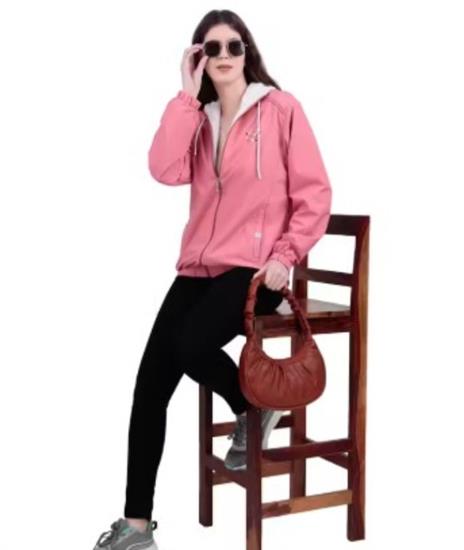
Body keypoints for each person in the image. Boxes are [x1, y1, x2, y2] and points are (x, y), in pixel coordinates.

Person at [93, 8, 332, 550]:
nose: (224, 56)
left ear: (248, 54)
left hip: (259, 271)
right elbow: (163, 169)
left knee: (190, 344)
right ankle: (136, 526)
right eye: (211, 48)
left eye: (234, 46)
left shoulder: (282, 109)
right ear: (199, 58)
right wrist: (185, 96)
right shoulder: (198, 120)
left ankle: (251, 406)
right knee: (150, 385)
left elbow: (314, 193)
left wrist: (286, 255)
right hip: (200, 268)